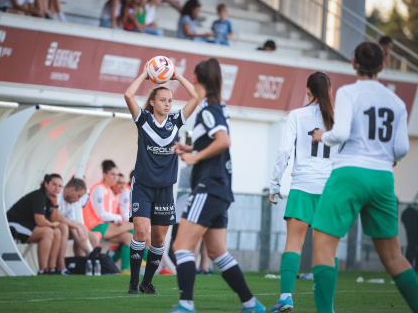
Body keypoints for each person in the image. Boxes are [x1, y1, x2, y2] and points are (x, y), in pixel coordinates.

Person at [311, 42, 418, 312]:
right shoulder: (396, 101)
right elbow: (402, 148)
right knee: (394, 257)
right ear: (382, 66)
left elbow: (342, 133)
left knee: (323, 247)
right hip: (382, 177)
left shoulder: (349, 93)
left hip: (349, 172)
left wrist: (322, 136)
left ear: (353, 62)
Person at [171, 59, 266, 313]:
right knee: (217, 251)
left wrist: (194, 157)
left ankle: (185, 305)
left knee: (181, 246)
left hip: (208, 187)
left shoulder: (208, 110)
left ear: (197, 79)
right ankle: (251, 304)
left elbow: (223, 141)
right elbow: (216, 142)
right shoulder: (218, 108)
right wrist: (191, 147)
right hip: (221, 189)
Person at [124, 60, 200, 295]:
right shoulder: (143, 119)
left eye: (170, 101)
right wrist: (145, 75)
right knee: (141, 230)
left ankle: (147, 282)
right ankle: (133, 283)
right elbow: (128, 95)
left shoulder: (176, 121)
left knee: (158, 239)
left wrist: (177, 76)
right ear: (152, 102)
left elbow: (195, 97)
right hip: (143, 186)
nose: (168, 104)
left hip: (165, 188)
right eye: (163, 100)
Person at [268, 72, 335, 312]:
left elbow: (284, 151)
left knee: (293, 244)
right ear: (328, 90)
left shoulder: (297, 115)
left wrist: (274, 184)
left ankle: (286, 297)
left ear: (308, 90)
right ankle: (327, 306)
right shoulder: (338, 118)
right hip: (329, 190)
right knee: (327, 252)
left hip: (302, 186)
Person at [7, 174, 69, 274]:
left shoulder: (51, 199)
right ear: (46, 184)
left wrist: (55, 204)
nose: (57, 188)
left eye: (60, 186)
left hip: (28, 225)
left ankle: (51, 268)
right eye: (54, 184)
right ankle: (43, 270)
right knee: (48, 232)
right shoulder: (39, 196)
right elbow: (40, 221)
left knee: (57, 232)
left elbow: (53, 219)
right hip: (13, 223)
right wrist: (53, 225)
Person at [83, 160, 133, 272]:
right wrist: (118, 218)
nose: (115, 178)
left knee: (129, 238)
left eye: (116, 175)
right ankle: (147, 258)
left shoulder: (109, 190)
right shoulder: (99, 189)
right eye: (112, 174)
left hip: (105, 226)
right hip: (95, 226)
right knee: (135, 226)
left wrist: (117, 219)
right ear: (105, 174)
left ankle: (120, 268)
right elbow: (100, 214)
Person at [58, 177, 100, 257]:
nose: (78, 200)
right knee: (73, 228)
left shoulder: (69, 201)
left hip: (63, 227)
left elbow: (73, 220)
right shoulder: (57, 196)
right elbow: (55, 216)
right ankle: (91, 255)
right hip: (50, 226)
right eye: (78, 196)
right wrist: (76, 226)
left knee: (92, 236)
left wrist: (79, 227)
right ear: (71, 189)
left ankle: (89, 259)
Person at [401, 201, 418, 271]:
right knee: (411, 247)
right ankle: (409, 267)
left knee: (411, 247)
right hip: (411, 229)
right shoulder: (408, 211)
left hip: (410, 230)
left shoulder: (407, 211)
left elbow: (403, 219)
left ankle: (409, 267)